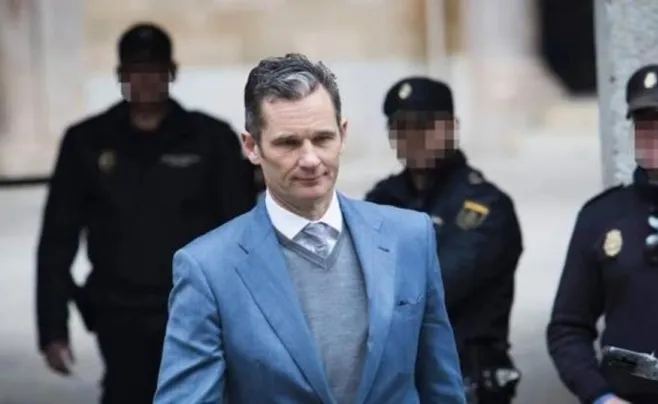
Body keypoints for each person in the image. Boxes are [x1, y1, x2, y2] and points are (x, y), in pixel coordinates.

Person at [153, 53, 466, 404]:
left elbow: (441, 386)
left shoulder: (410, 237)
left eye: (322, 138)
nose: (310, 159)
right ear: (252, 147)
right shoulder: (208, 268)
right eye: (288, 142)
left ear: (342, 135)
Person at [36, 22, 260, 404]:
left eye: (155, 69)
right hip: (119, 314)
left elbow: (242, 234)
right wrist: (53, 328)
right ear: (120, 75)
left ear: (172, 72)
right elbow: (57, 239)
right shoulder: (86, 142)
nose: (145, 80)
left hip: (196, 310)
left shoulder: (210, 139)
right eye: (136, 70)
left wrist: (250, 318)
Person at [547, 64, 658, 404]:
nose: (653, 133)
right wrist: (600, 396)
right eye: (643, 122)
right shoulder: (602, 215)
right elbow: (567, 328)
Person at [364, 77, 523, 403]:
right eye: (402, 128)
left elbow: (438, 287)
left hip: (465, 382)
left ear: (452, 127)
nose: (414, 138)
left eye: (425, 126)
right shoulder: (381, 200)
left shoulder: (486, 207)